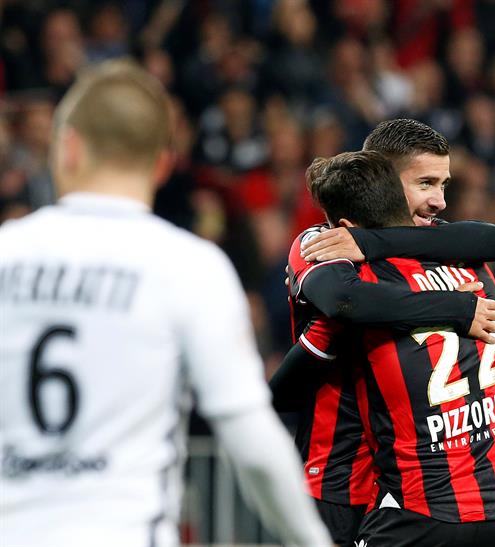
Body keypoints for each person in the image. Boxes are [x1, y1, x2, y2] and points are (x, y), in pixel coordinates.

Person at [0, 59, 331, 547]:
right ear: (163, 162)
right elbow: (253, 443)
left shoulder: (6, 252)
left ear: (67, 147)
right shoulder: (189, 266)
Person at [274, 118, 495, 546]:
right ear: (381, 177)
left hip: (411, 477)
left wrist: (375, 243)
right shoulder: (325, 244)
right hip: (338, 473)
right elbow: (346, 303)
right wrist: (459, 309)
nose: (440, 200)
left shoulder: (434, 247)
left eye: (444, 184)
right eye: (425, 183)